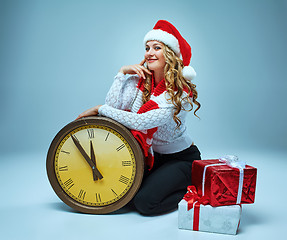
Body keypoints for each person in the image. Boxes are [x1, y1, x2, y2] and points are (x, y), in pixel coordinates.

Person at [77, 20, 201, 216]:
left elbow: (139, 122)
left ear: (170, 54)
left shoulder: (179, 93)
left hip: (180, 159)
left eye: (157, 47)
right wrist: (121, 73)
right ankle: (162, 182)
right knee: (124, 196)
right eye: (147, 48)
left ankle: (192, 188)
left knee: (145, 204)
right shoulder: (140, 81)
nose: (149, 53)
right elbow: (114, 105)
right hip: (150, 156)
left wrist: (100, 109)